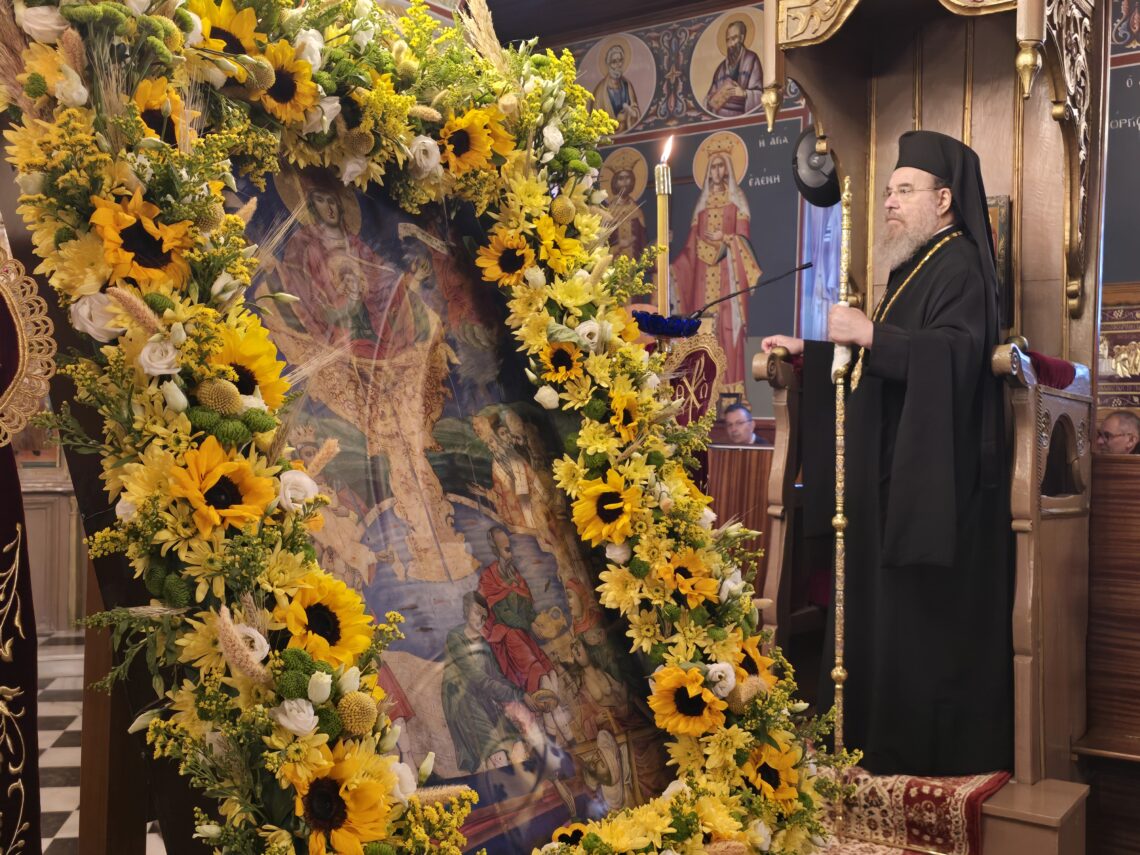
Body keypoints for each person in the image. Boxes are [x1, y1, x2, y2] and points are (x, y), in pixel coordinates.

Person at [761, 130, 1012, 776]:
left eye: (904, 190)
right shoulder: (913, 266)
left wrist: (871, 333)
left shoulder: (961, 265)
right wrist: (813, 352)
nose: (890, 203)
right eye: (889, 191)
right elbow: (882, 360)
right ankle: (867, 743)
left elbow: (956, 356)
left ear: (945, 199)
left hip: (938, 489)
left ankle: (916, 756)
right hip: (888, 478)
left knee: (917, 629)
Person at [673, 136, 762, 391]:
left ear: (728, 169)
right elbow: (690, 249)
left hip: (728, 275)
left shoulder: (736, 201)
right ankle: (702, 390)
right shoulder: (701, 206)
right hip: (702, 278)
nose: (716, 171)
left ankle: (730, 388)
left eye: (721, 165)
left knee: (726, 326)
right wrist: (671, 269)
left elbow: (743, 240)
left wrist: (724, 238)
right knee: (703, 328)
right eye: (712, 166)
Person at [440, 591, 533, 773]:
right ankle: (502, 784)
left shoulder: (483, 643)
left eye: (484, 616)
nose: (481, 619)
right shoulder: (455, 636)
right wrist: (518, 695)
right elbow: (476, 677)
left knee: (517, 743)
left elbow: (497, 676)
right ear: (466, 610)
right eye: (477, 612)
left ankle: (517, 783)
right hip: (462, 698)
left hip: (483, 696)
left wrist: (522, 694)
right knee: (496, 751)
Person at [476, 526, 555, 694]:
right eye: (507, 550)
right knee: (537, 671)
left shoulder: (515, 574)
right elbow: (503, 614)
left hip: (522, 632)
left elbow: (527, 606)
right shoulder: (489, 577)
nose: (512, 554)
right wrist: (530, 624)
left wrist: (537, 621)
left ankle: (555, 704)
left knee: (549, 669)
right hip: (505, 636)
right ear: (495, 550)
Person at [704, 19, 764, 117]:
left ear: (742, 38)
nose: (730, 44)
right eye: (728, 40)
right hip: (721, 117)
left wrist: (744, 93)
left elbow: (761, 95)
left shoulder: (751, 59)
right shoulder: (721, 68)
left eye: (734, 38)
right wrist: (713, 99)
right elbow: (709, 100)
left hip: (743, 116)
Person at [593, 43, 640, 133]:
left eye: (620, 60)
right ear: (608, 64)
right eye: (614, 62)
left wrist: (631, 112)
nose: (618, 65)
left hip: (627, 131)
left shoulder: (627, 85)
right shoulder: (601, 91)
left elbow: (634, 108)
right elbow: (596, 120)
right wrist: (616, 120)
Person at [607, 166, 648, 261]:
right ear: (615, 182)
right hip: (612, 265)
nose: (625, 182)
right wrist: (619, 246)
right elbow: (601, 245)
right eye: (621, 178)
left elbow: (643, 242)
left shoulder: (637, 211)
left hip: (634, 266)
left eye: (628, 178)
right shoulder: (608, 212)